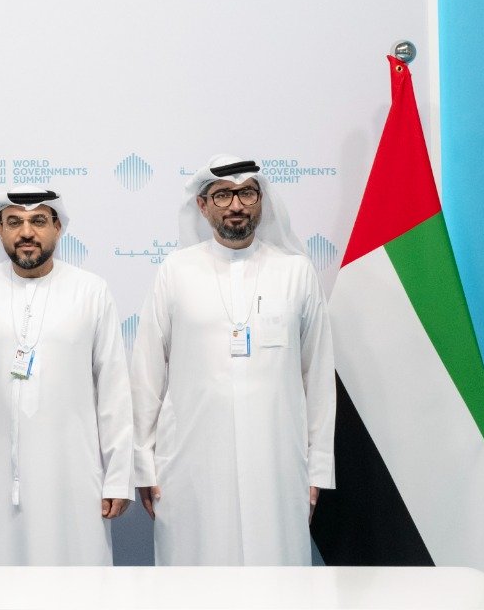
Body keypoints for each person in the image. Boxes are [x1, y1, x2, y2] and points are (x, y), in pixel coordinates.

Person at [130, 155, 335, 565]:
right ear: (202, 206)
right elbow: (146, 374)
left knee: (276, 573)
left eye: (246, 194)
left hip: (277, 462)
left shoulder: (295, 272)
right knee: (195, 574)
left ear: (262, 200)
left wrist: (317, 470)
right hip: (190, 463)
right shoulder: (176, 271)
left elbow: (317, 379)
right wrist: (143, 465)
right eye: (222, 195)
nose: (236, 206)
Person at [0, 191, 133, 565]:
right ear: (0, 231)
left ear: (57, 227)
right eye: (14, 222)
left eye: (38, 221)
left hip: (74, 478)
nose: (26, 232)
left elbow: (113, 391)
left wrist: (119, 476)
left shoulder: (91, 291)